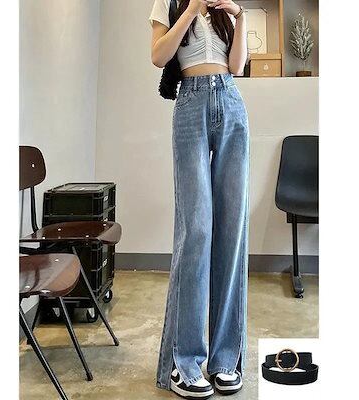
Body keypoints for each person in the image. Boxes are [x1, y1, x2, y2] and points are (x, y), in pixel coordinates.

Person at [149, 1, 249, 398]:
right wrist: (190, 10)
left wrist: (239, 15)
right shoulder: (170, 4)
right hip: (190, 106)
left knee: (231, 231)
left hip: (231, 102)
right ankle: (185, 361)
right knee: (197, 231)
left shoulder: (223, 8)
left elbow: (237, 66)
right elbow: (159, 56)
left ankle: (225, 359)